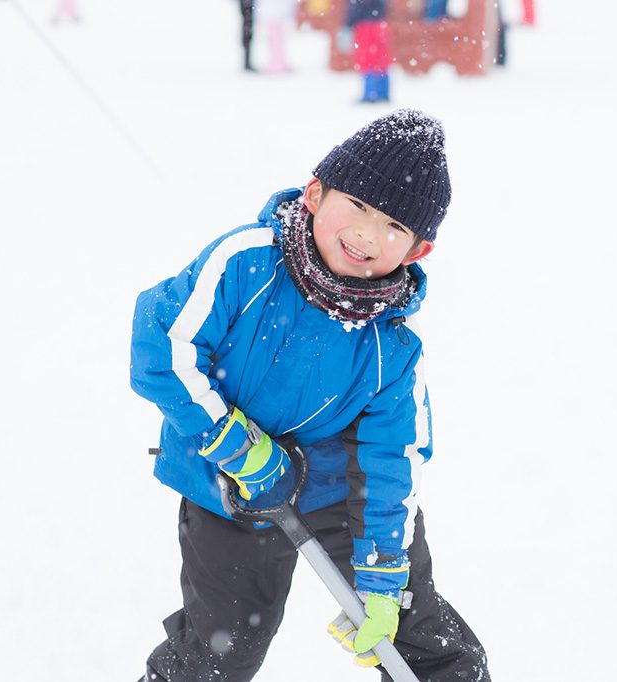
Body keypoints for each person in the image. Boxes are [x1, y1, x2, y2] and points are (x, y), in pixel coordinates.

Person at [131, 109, 490, 681]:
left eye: (396, 227)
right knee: (222, 649)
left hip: (334, 490)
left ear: (417, 251)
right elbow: (163, 345)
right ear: (317, 193)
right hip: (231, 487)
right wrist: (231, 444)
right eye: (360, 206)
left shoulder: (391, 348)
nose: (369, 236)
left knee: (419, 637)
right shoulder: (245, 264)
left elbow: (390, 460)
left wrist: (382, 573)